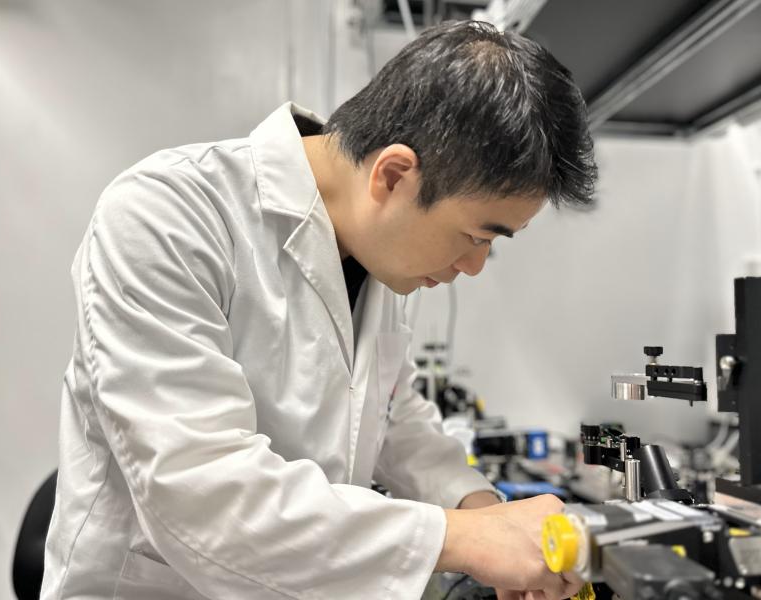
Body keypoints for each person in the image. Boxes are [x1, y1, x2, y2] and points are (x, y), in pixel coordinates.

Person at [41, 19, 596, 600]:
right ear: (395, 175)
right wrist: (465, 538)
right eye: (480, 235)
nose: (475, 265)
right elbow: (203, 498)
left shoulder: (377, 253)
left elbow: (392, 413)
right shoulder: (168, 215)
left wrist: (482, 507)